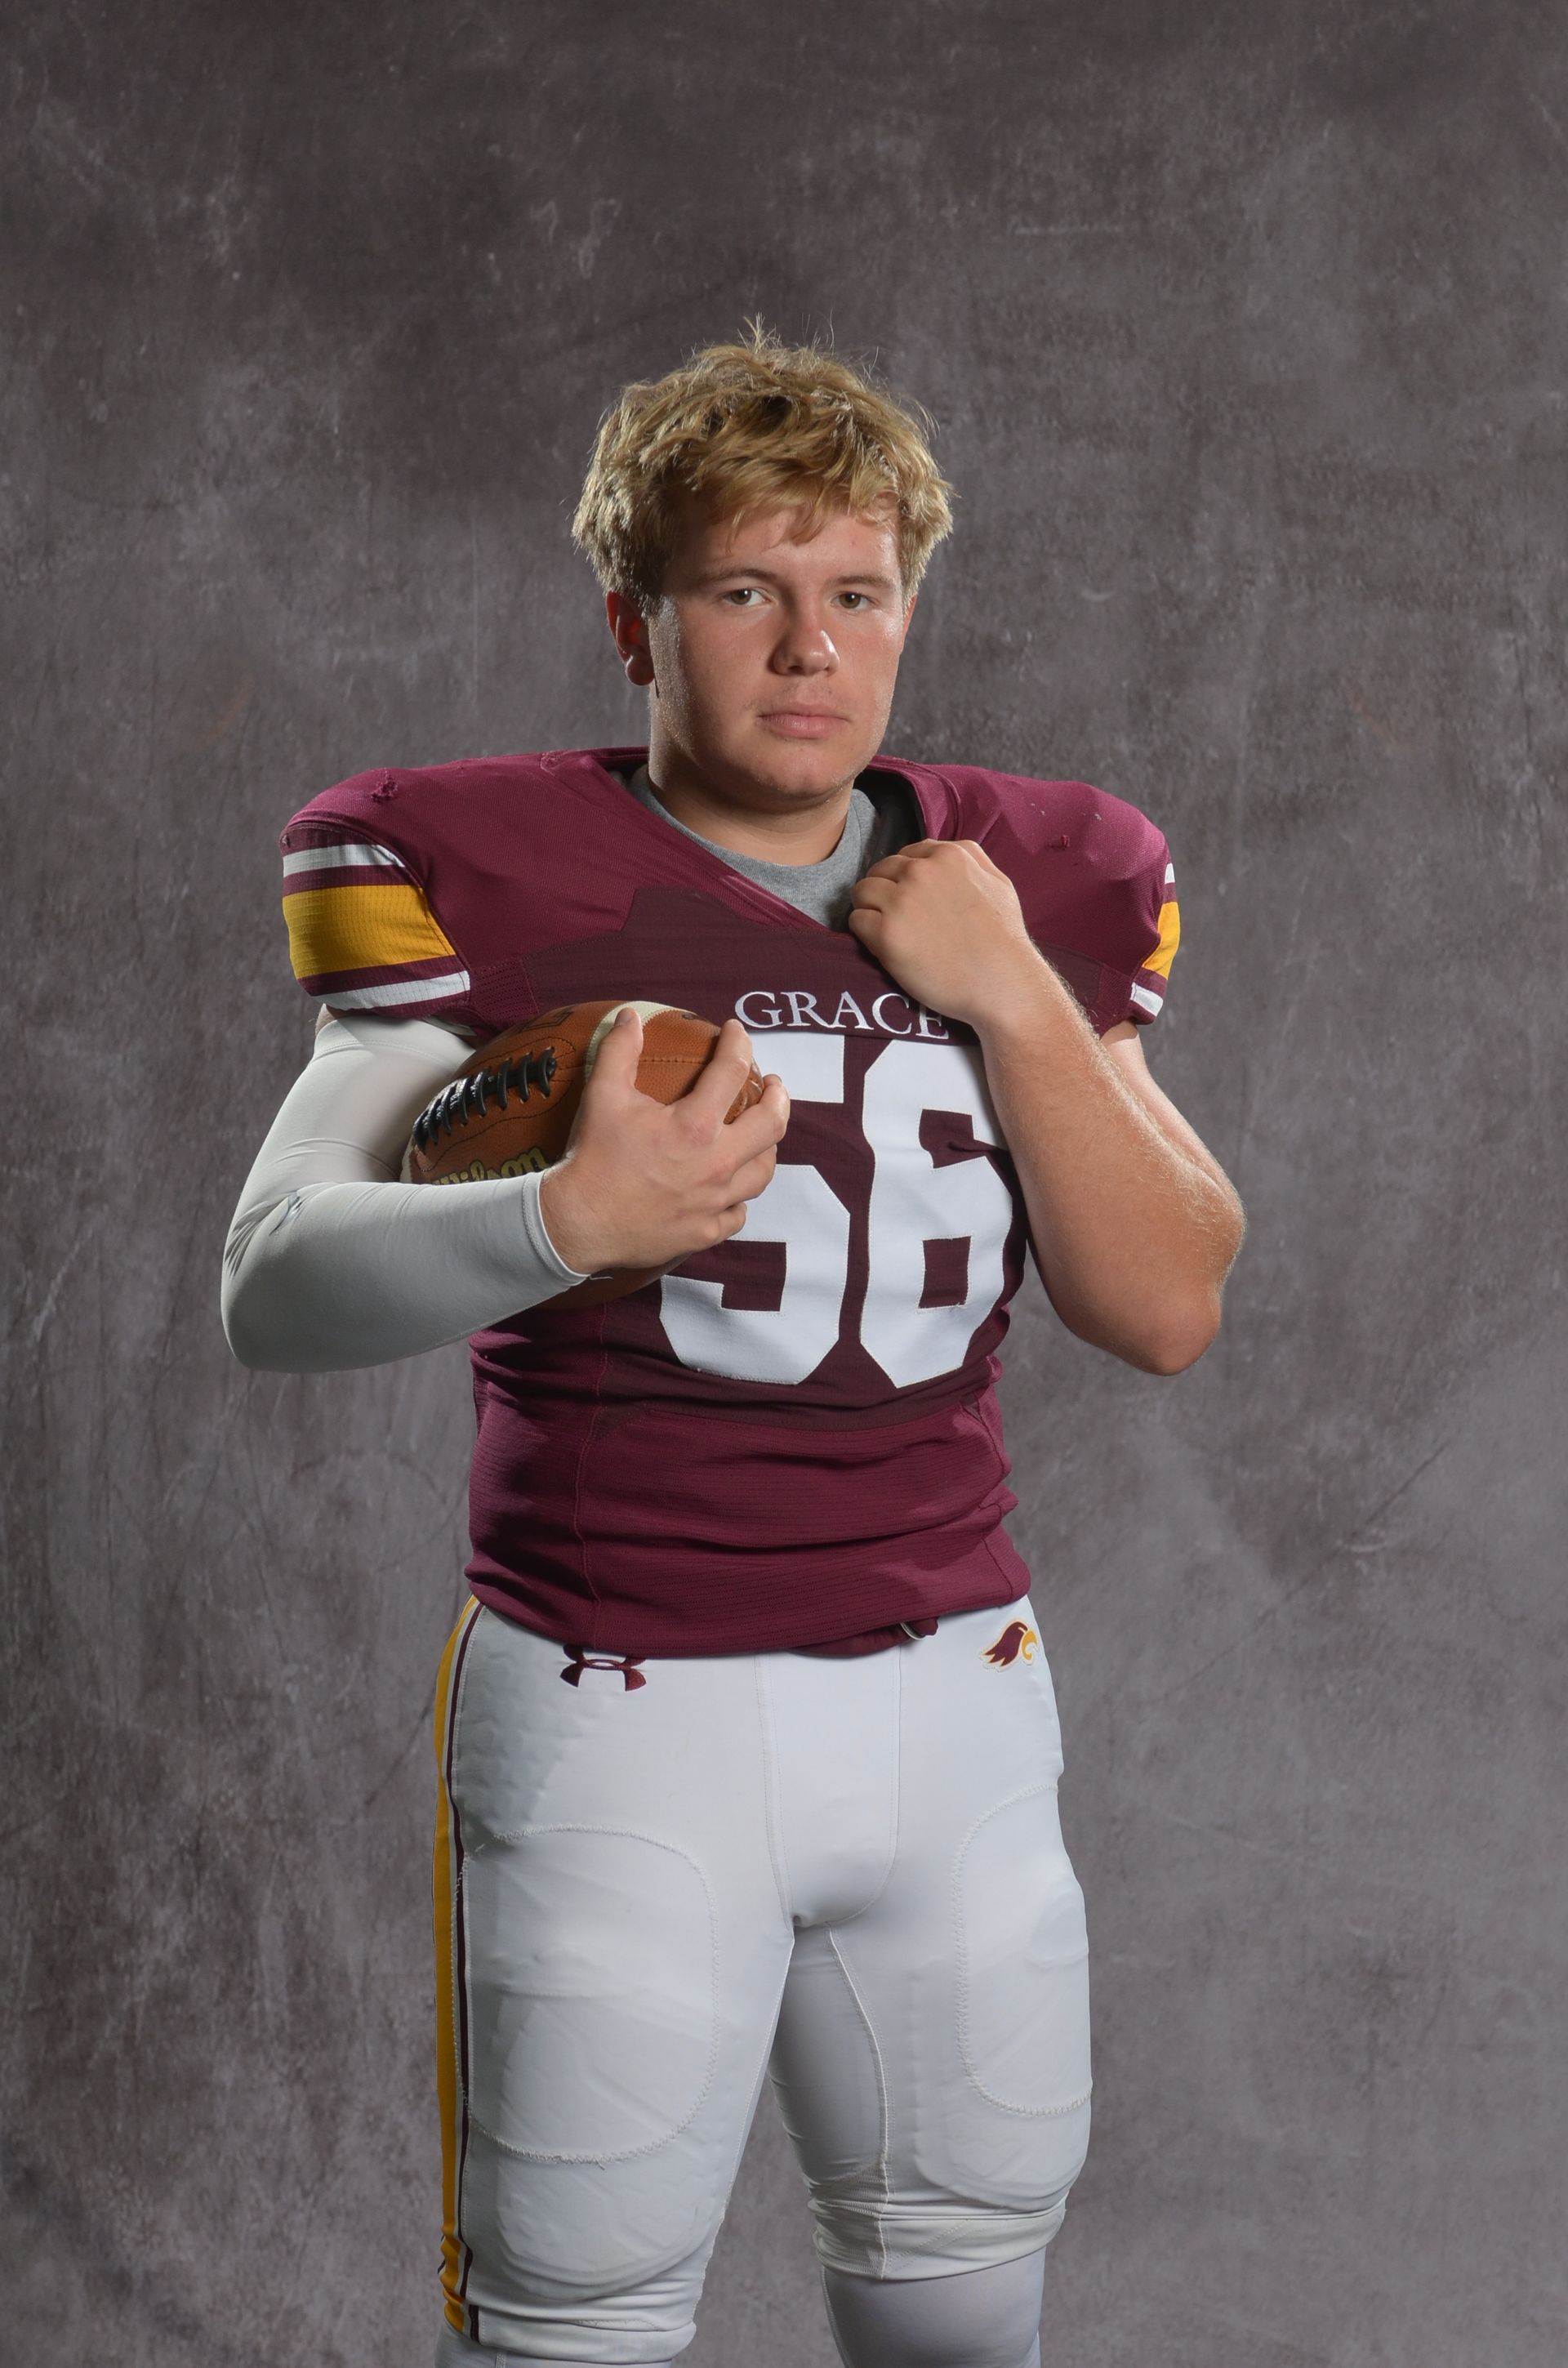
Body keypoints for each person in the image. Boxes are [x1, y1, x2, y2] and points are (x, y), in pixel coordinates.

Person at [222, 329, 1244, 2368]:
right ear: (636, 618)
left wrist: (1017, 1001)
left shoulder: (1032, 876)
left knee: (969, 2308)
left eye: (855, 591)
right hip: (626, 1709)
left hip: (964, 1702)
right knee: (576, 2327)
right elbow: (275, 1275)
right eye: (742, 590)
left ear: (908, 612)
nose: (808, 645)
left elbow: (1168, 1301)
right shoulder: (472, 859)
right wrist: (556, 1224)